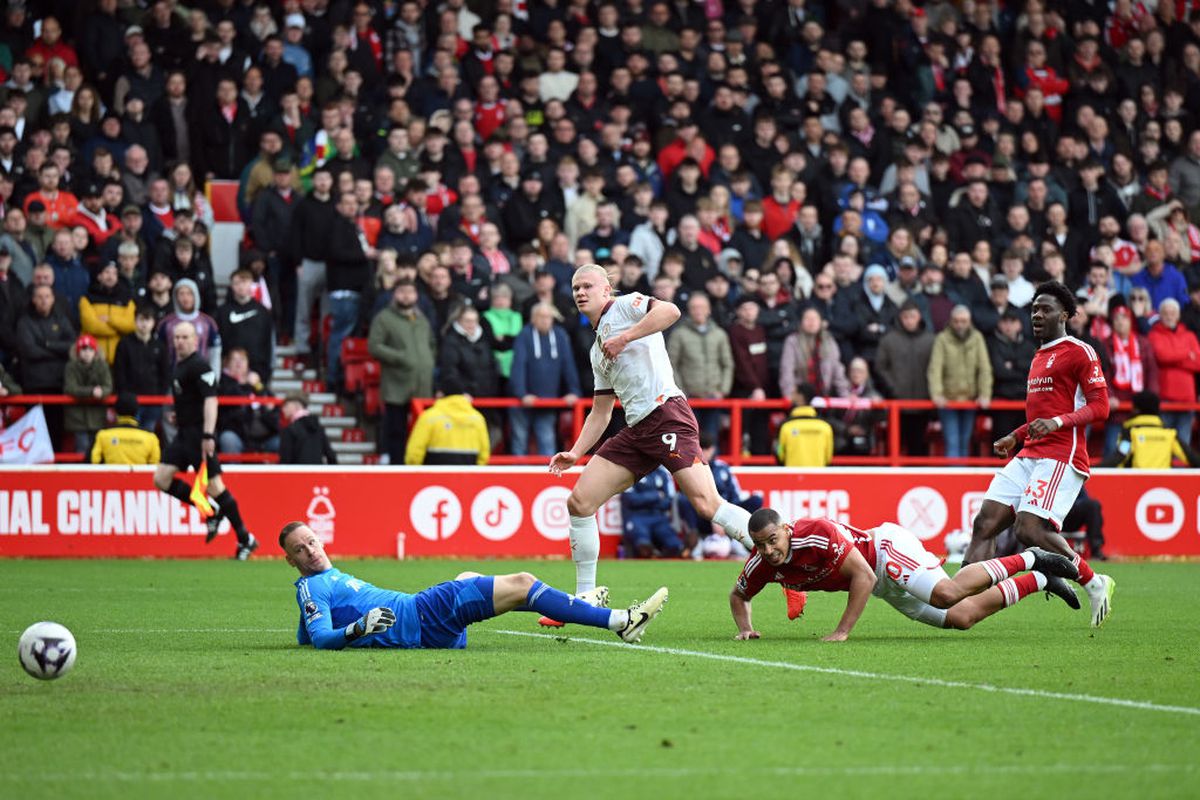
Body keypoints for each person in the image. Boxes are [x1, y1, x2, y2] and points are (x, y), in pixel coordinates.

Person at [549, 264, 791, 620]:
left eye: (587, 285)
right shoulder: (597, 349)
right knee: (580, 502)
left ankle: (788, 569)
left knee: (707, 505)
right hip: (636, 429)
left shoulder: (626, 305)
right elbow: (601, 412)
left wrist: (626, 338)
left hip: (666, 415)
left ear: (606, 290)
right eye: (575, 288)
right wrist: (575, 452)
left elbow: (671, 311)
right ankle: (586, 597)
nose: (580, 292)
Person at [964, 282, 1115, 627]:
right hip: (1030, 453)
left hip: (1061, 455)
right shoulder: (1039, 355)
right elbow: (1040, 418)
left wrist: (1057, 422)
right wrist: (1016, 437)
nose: (1037, 315)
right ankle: (962, 598)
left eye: (1046, 309)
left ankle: (1094, 581)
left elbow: (1101, 407)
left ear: (1064, 315)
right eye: (1034, 309)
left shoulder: (1080, 351)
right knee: (984, 523)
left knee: (1029, 529)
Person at [281, 521, 669, 648]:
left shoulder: (316, 586)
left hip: (426, 622)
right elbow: (322, 639)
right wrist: (357, 629)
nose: (311, 551)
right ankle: (621, 621)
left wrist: (319, 626)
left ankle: (574, 604)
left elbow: (308, 635)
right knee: (523, 582)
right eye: (300, 549)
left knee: (468, 578)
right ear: (291, 560)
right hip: (424, 615)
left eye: (312, 541)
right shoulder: (313, 587)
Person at [730, 509, 1081, 642]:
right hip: (880, 583)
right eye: (760, 545)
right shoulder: (763, 562)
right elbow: (739, 595)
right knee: (962, 618)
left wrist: (842, 631)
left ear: (786, 530)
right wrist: (746, 628)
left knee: (945, 594)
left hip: (884, 551)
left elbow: (863, 577)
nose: (768, 550)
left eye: (773, 540)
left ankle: (1031, 557)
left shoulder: (816, 533)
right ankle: (1041, 580)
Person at [151, 321, 258, 560]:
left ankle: (245, 538)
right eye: (176, 337)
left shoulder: (200, 366)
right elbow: (194, 400)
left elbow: (211, 400)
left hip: (199, 436)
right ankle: (210, 513)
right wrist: (180, 415)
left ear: (195, 340)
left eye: (184, 337)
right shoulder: (181, 365)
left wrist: (208, 435)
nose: (179, 341)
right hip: (183, 434)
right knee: (161, 478)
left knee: (215, 486)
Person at [368, 278, 435, 464]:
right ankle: (397, 465)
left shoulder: (422, 319)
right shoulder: (384, 318)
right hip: (396, 384)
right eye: (402, 292)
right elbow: (374, 346)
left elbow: (431, 344)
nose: (406, 296)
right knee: (396, 429)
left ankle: (419, 465)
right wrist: (400, 357)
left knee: (422, 429)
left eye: (410, 292)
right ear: (395, 294)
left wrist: (428, 360)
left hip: (422, 384)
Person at [508, 302, 581, 456]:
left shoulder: (560, 335)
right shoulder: (524, 335)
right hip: (522, 401)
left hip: (547, 401)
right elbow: (518, 366)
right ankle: (518, 471)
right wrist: (522, 394)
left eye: (548, 317)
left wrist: (574, 391)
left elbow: (568, 365)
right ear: (533, 318)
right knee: (519, 440)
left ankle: (548, 472)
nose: (545, 320)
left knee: (547, 439)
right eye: (541, 317)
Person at [927, 304, 993, 459]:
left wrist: (984, 394)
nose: (960, 325)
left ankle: (961, 473)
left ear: (969, 322)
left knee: (965, 442)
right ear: (951, 321)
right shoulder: (942, 339)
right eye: (956, 321)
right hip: (948, 401)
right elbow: (935, 369)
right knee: (952, 442)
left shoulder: (977, 338)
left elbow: (984, 368)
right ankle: (954, 473)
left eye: (963, 321)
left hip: (970, 400)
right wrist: (937, 394)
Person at [404, 375, 490, 465]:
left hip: (434, 473)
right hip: (467, 472)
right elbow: (484, 454)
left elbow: (414, 453)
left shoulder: (429, 417)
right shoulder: (478, 418)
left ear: (440, 394)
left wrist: (415, 469)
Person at [1103, 390, 1200, 469]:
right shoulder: (1169, 434)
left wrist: (1097, 468)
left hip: (1135, 483)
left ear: (1136, 409)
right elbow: (1193, 459)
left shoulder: (1130, 433)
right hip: (1163, 484)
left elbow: (1119, 457)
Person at [62, 334, 113, 455]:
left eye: (90, 349)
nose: (87, 353)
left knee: (97, 449)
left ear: (95, 352)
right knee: (82, 448)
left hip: (97, 415)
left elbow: (108, 386)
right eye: (84, 349)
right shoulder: (71, 367)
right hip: (77, 417)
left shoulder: (102, 366)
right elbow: (70, 388)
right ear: (78, 351)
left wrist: (102, 392)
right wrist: (92, 392)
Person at [619, 465, 681, 558]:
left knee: (675, 545)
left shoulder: (663, 473)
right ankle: (650, 555)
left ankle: (659, 561)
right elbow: (630, 500)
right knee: (643, 545)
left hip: (658, 516)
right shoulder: (630, 471)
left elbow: (668, 502)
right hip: (637, 516)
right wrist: (656, 496)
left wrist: (645, 500)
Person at [91, 392, 160, 464]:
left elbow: (94, 461)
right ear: (136, 411)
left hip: (112, 471)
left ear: (116, 410)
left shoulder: (103, 435)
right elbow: (155, 464)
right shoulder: (150, 437)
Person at [776, 383, 835, 467]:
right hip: (818, 473)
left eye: (794, 393)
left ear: (800, 397)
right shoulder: (825, 427)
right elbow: (828, 457)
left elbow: (780, 453)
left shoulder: (786, 427)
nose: (791, 396)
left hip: (792, 474)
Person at [278, 393, 338, 465]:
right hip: (316, 471)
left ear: (297, 405)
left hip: (298, 471)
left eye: (286, 405)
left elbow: (285, 460)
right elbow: (331, 456)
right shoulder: (319, 428)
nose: (283, 409)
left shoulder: (289, 430)